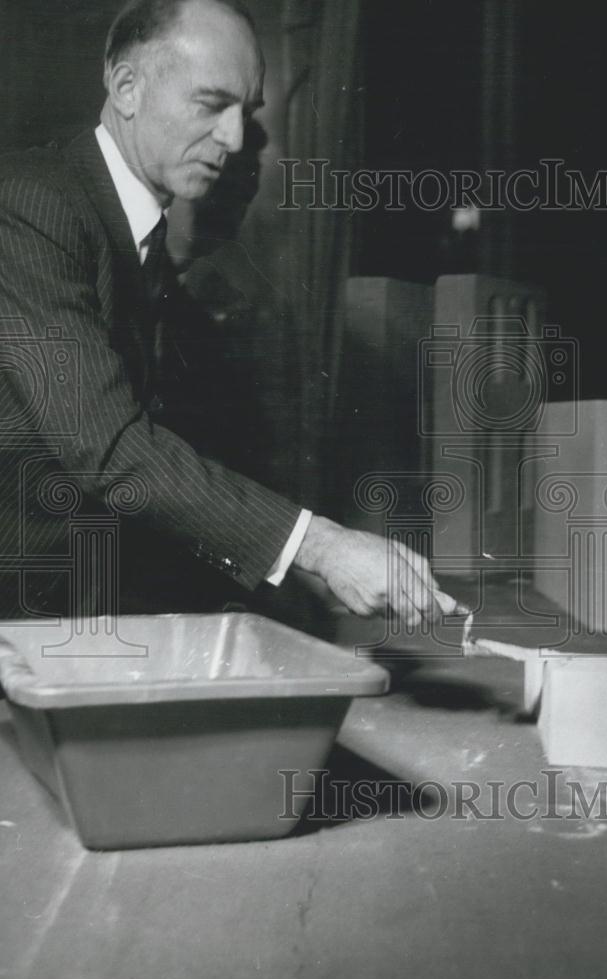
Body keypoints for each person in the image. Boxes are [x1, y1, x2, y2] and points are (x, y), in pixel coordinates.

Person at [0, 0, 456, 627]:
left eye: (244, 113)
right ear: (127, 88)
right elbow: (108, 449)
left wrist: (297, 574)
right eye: (211, 104)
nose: (236, 140)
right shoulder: (31, 206)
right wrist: (320, 549)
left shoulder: (142, 248)